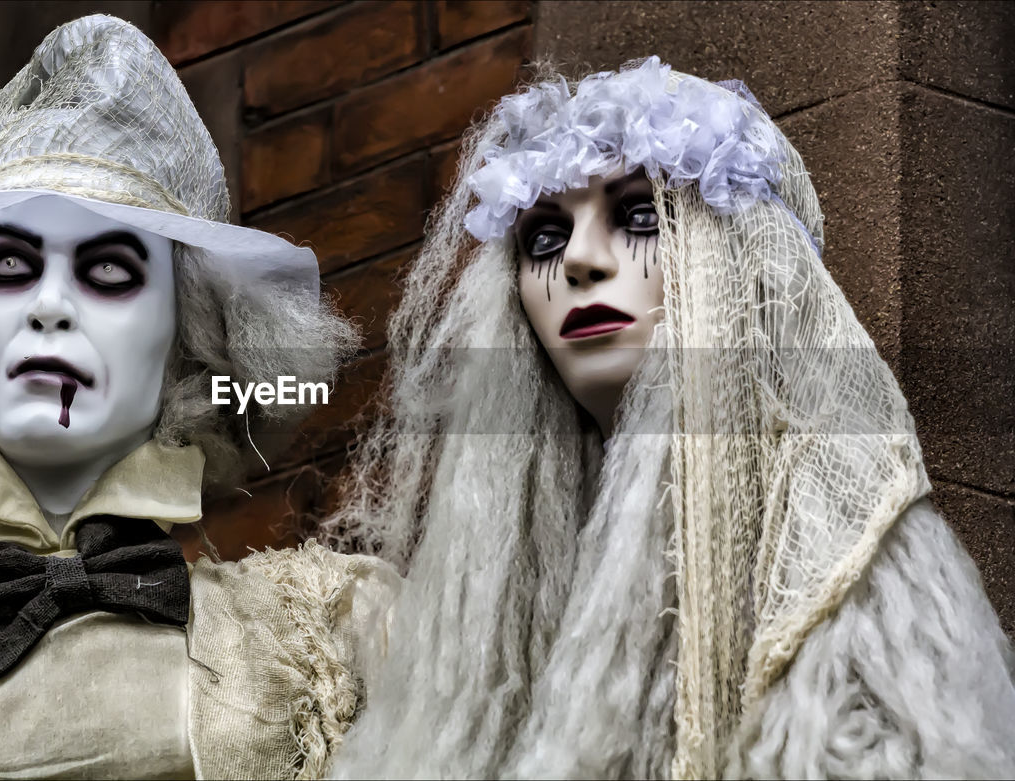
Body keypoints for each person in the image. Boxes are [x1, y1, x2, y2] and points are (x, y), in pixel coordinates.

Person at [0, 16, 396, 780]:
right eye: (13, 265)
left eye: (109, 271)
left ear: (190, 336)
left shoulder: (337, 636)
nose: (49, 306)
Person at [322, 57, 1015, 779]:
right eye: (546, 239)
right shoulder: (481, 614)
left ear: (736, 263)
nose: (582, 262)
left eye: (639, 217)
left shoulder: (847, 566)